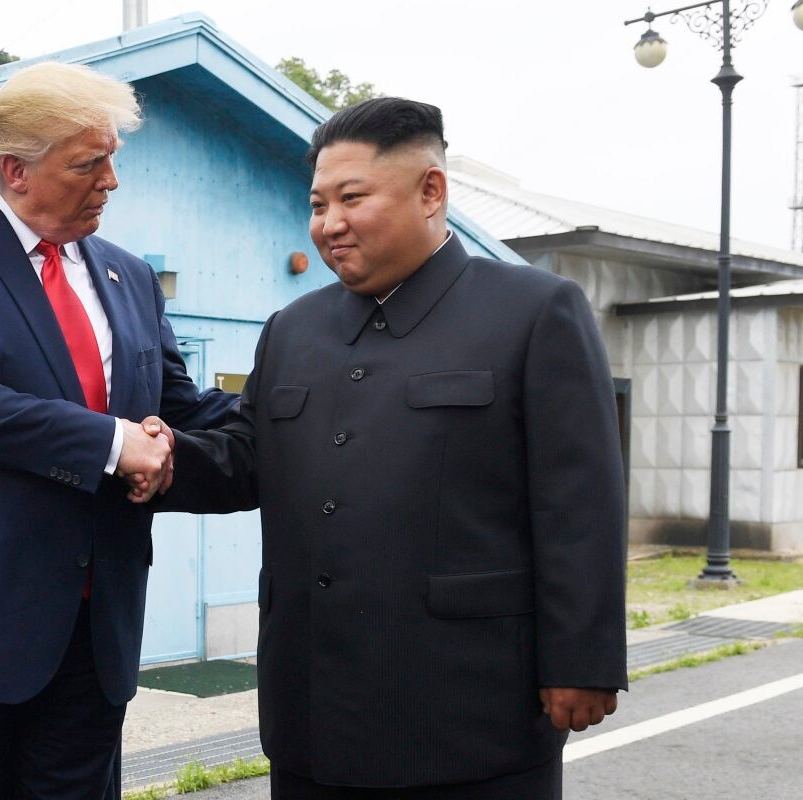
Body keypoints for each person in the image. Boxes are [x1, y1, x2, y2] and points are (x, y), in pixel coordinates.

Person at [150, 97, 627, 799]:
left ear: (431, 191)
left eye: (352, 198)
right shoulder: (293, 328)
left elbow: (581, 501)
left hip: (469, 712)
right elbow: (249, 457)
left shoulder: (533, 311)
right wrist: (148, 456)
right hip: (312, 714)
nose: (329, 224)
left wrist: (583, 659)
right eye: (317, 204)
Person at [0, 62, 237, 800]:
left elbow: (177, 408)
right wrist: (113, 444)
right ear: (15, 170)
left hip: (97, 627)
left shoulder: (129, 274)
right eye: (89, 163)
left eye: (114, 159)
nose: (111, 181)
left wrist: (303, 409)